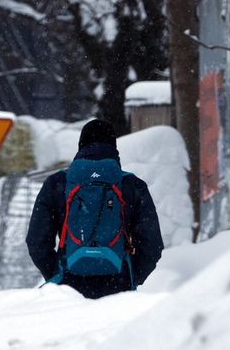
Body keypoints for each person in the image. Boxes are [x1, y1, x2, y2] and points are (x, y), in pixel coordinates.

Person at [25, 119, 163, 299]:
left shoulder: (57, 184)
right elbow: (152, 244)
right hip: (118, 285)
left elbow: (37, 241)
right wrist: (131, 276)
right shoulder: (132, 186)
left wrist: (55, 274)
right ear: (114, 147)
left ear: (81, 146)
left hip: (68, 285)